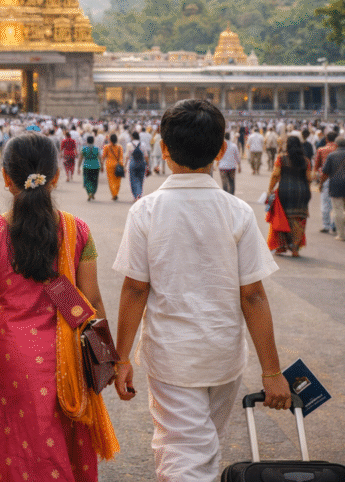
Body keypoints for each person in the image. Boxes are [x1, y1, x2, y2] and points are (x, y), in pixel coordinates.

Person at [112, 99, 292, 482]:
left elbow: (135, 290)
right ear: (221, 150)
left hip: (172, 356)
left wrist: (121, 357)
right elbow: (253, 295)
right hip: (224, 355)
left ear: (163, 149)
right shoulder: (237, 211)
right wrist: (271, 370)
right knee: (203, 446)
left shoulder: (146, 211)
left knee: (185, 454)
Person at [0, 133, 119, 481]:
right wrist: (108, 359)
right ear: (56, 177)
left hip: (9, 356)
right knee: (60, 441)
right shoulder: (78, 230)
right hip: (65, 356)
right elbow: (91, 301)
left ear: (6, 177)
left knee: (15, 442)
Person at [266, 136, 312, 257]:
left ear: (287, 146)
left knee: (283, 217)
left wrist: (270, 189)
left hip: (285, 191)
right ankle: (295, 248)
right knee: (299, 219)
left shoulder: (281, 159)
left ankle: (281, 246)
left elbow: (275, 174)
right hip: (302, 192)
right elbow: (309, 178)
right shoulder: (306, 161)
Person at [313, 130, 338, 234]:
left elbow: (316, 166)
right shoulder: (342, 150)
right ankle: (335, 224)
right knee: (337, 204)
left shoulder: (321, 150)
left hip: (326, 178)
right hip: (339, 178)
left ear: (326, 139)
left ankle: (326, 225)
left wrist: (318, 181)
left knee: (325, 203)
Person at [125, 131, 148, 201]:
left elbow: (127, 156)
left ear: (132, 137)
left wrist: (124, 165)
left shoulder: (129, 144)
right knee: (140, 180)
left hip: (133, 163)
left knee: (133, 180)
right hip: (141, 163)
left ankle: (136, 195)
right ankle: (139, 194)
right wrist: (148, 164)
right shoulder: (143, 144)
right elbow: (146, 156)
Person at [102, 133, 124, 201]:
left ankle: (114, 194)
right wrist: (122, 165)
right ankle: (116, 193)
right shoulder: (120, 147)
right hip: (118, 165)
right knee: (117, 180)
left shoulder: (106, 147)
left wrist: (101, 164)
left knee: (111, 180)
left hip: (109, 165)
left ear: (110, 140)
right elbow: (121, 157)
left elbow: (103, 156)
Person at [81, 135, 101, 200]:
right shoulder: (97, 149)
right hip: (95, 166)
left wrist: (78, 167)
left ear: (87, 141)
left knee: (87, 180)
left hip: (86, 166)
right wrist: (102, 166)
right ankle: (93, 192)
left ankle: (89, 192)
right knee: (94, 181)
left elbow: (80, 158)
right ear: (93, 141)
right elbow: (100, 157)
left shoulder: (84, 149)